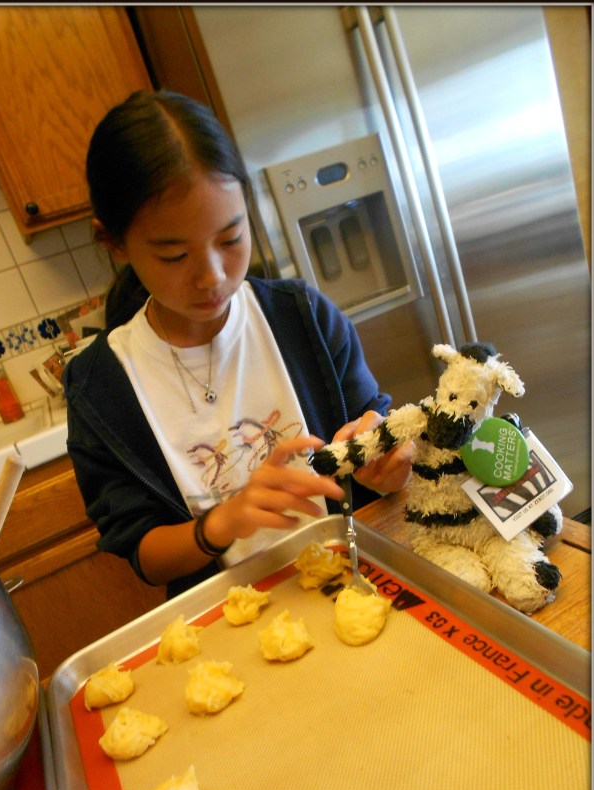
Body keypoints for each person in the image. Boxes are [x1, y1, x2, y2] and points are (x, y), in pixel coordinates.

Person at [63, 89, 412, 599]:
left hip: (359, 589)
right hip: (233, 620)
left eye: (230, 239)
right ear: (114, 242)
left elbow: (379, 437)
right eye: (174, 256)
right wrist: (222, 522)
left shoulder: (304, 318)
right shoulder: (100, 386)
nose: (212, 276)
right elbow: (143, 552)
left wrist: (388, 463)